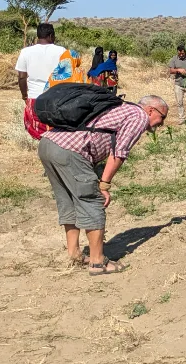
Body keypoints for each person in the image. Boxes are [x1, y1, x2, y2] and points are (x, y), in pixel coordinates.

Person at [38, 94, 169, 275]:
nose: (161, 124)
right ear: (151, 110)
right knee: (92, 201)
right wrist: (104, 185)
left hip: (49, 144)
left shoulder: (120, 107)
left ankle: (74, 254)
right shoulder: (139, 116)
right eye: (162, 117)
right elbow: (119, 153)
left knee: (68, 200)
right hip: (70, 151)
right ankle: (97, 262)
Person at [15, 23, 66, 140]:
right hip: (55, 97)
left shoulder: (25, 52)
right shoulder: (62, 51)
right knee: (55, 132)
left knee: (35, 131)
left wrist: (24, 96)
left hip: (34, 97)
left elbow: (22, 77)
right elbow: (66, 75)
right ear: (51, 35)